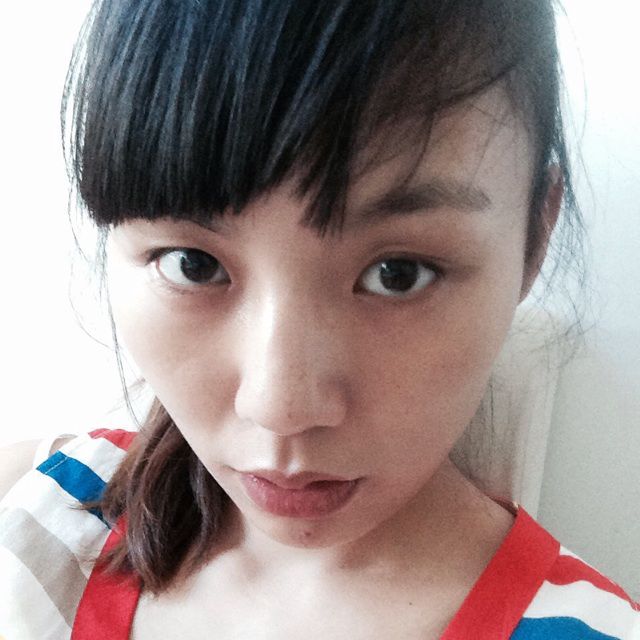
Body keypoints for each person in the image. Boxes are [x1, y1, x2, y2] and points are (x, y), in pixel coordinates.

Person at [0, 0, 638, 638]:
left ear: (533, 240)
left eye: (398, 273)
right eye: (194, 265)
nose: (281, 409)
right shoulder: (51, 514)